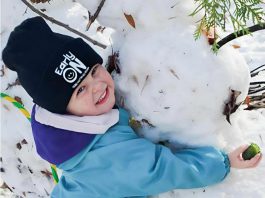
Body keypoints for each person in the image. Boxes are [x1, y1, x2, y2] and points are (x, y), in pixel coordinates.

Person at [2, 16, 262, 198]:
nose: (97, 85)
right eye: (80, 89)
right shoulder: (108, 156)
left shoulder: (66, 132)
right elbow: (159, 170)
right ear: (61, 108)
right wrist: (223, 163)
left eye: (94, 70)